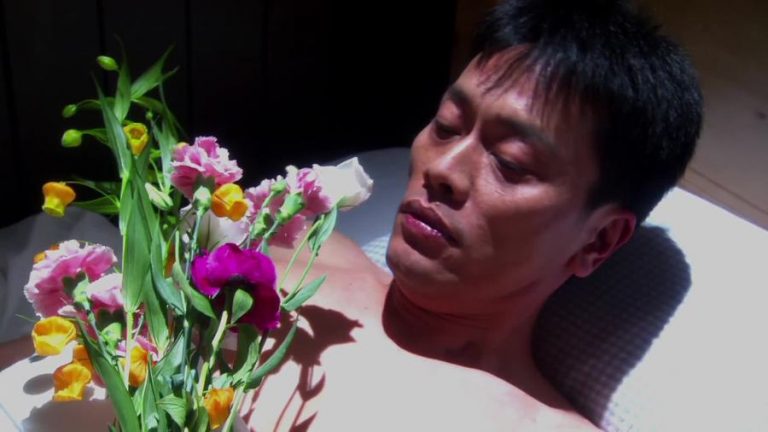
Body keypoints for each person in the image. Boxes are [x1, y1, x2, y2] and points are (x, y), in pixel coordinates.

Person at [1, 0, 702, 430]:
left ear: (598, 241)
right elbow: (48, 360)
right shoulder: (279, 252)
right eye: (447, 124)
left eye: (512, 163)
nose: (444, 168)